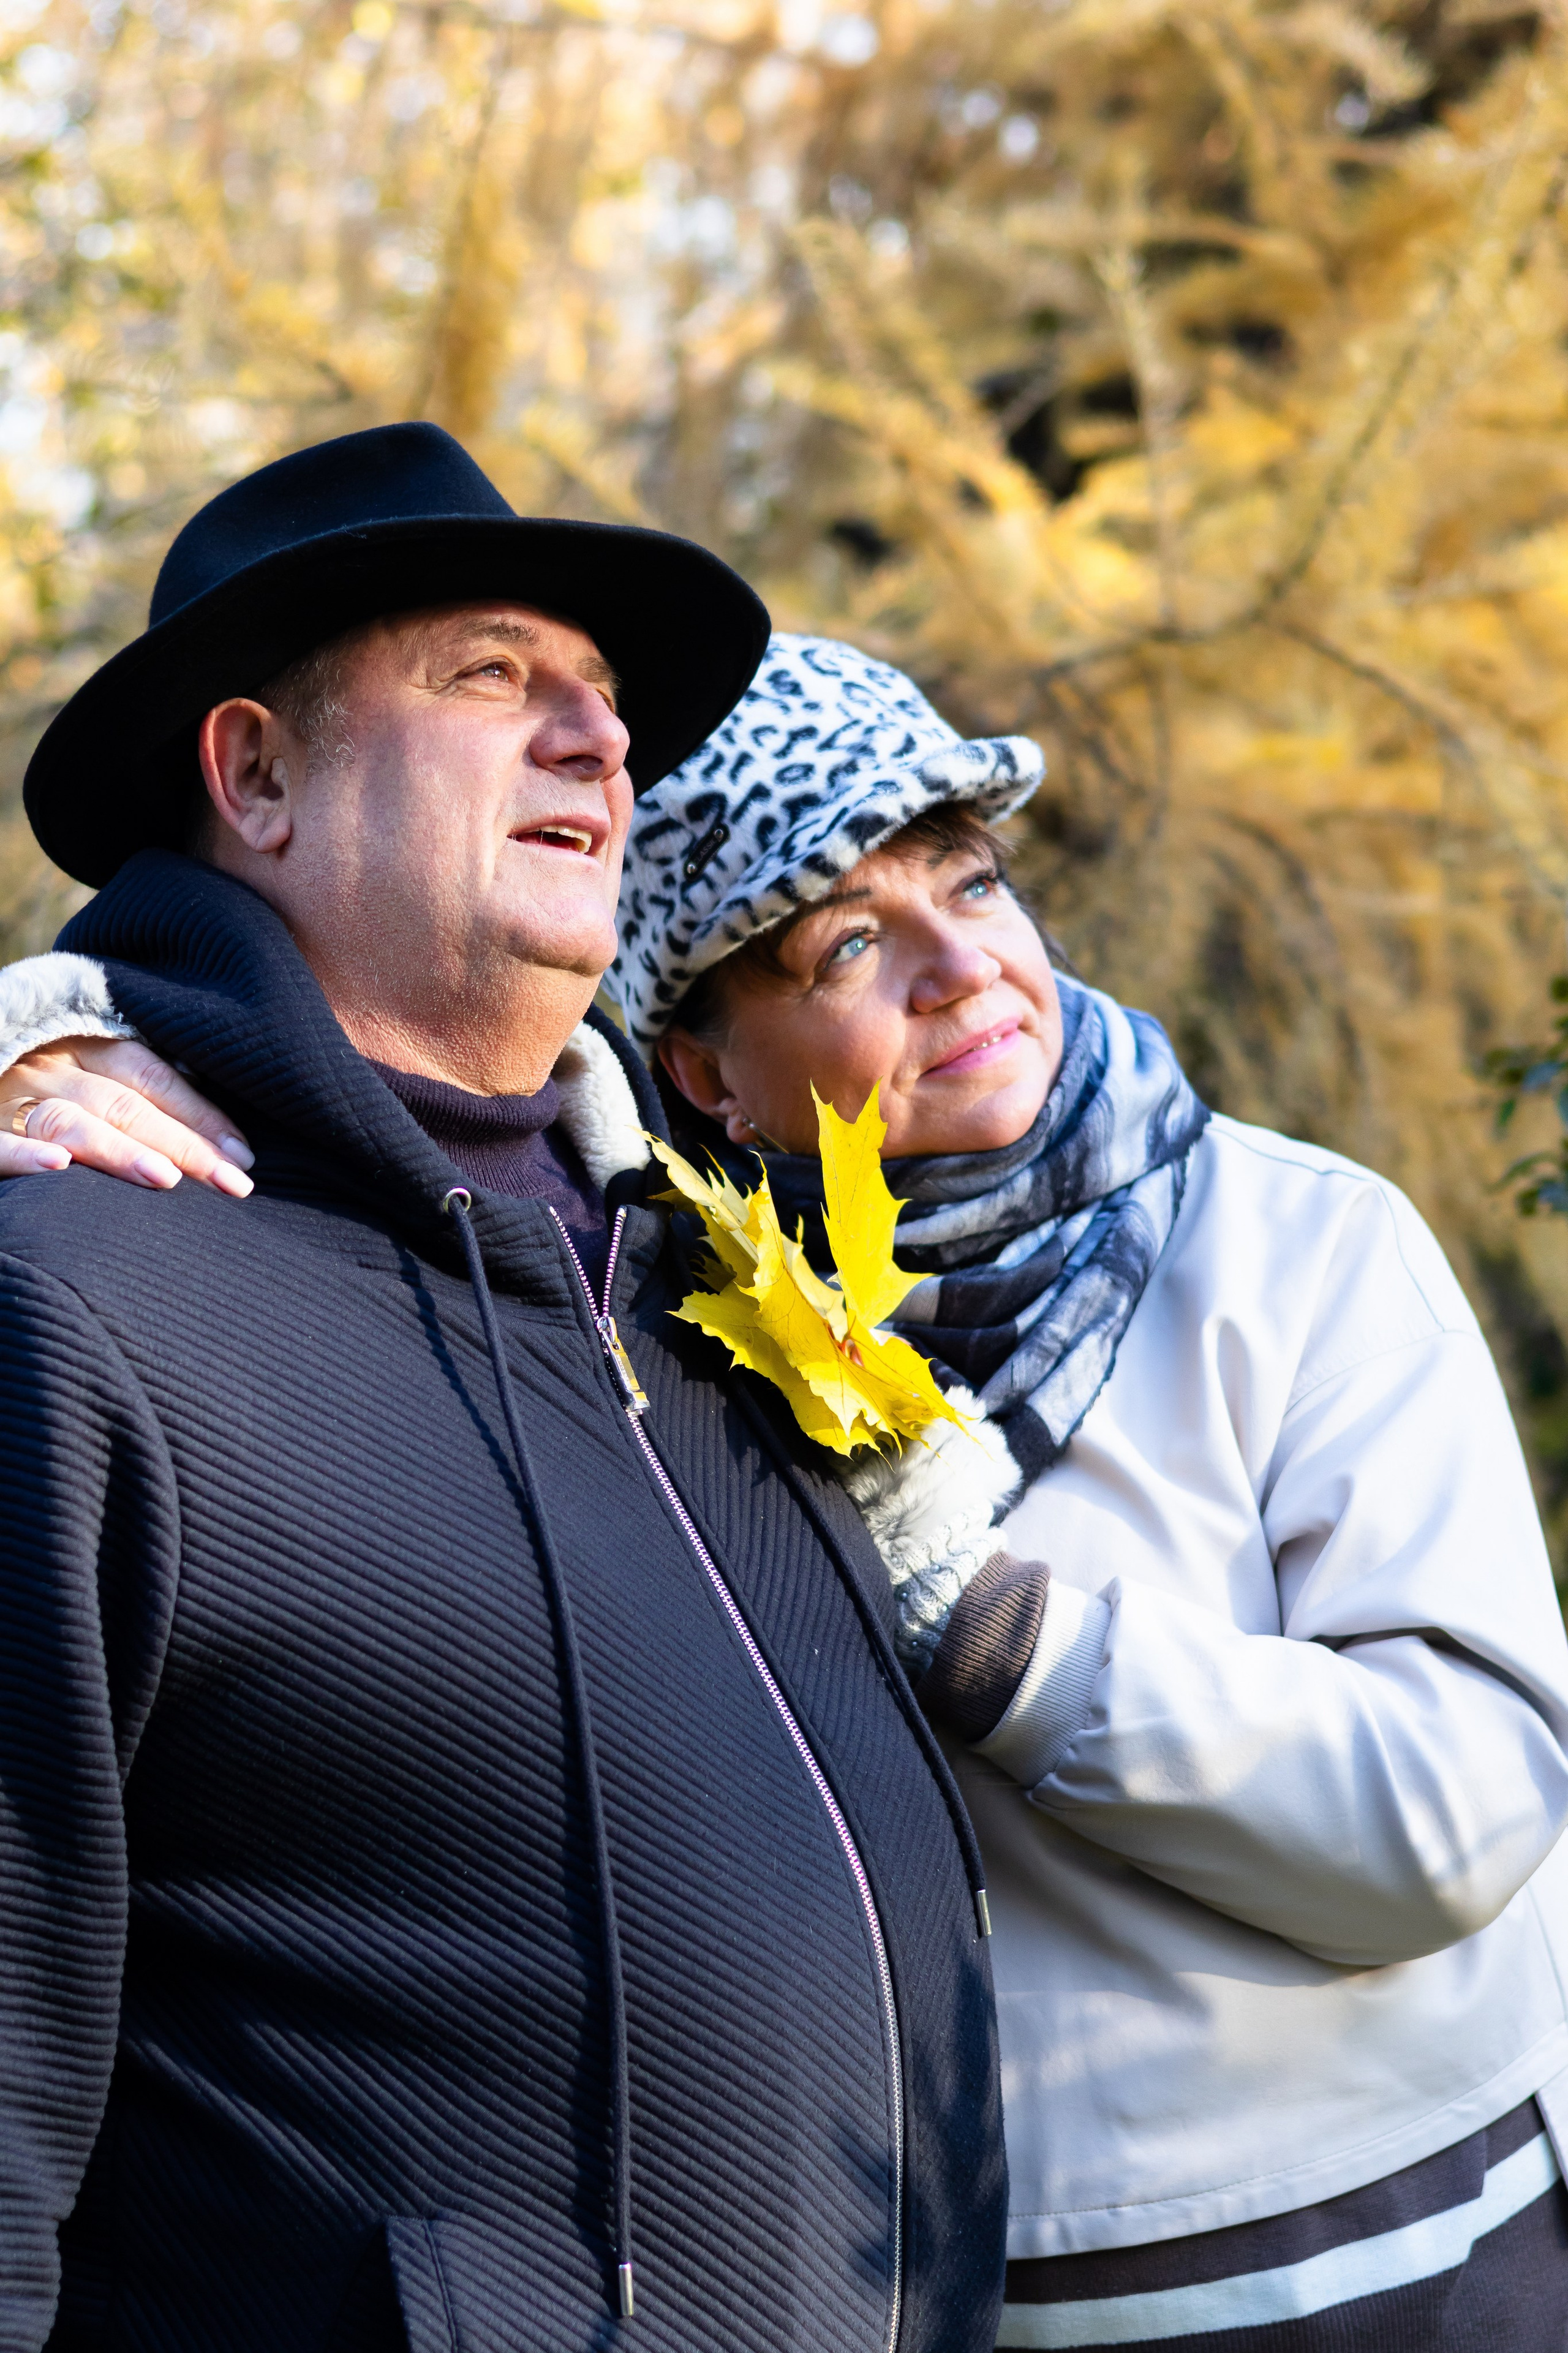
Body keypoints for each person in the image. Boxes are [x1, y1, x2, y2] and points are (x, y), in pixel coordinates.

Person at [27, 628, 1568, 2350]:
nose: (961, 967)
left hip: (1404, 2258)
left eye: (972, 882)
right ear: (704, 1073)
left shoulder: (1296, 1244)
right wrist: (58, 1028)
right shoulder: (671, 1313)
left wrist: (1004, 1639)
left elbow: (1459, 1810)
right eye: (847, 940)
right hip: (985, 2297)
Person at [0, 448, 1009, 2352]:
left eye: (606, 704)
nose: (598, 743)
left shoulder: (714, 1300)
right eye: (491, 674)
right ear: (256, 775)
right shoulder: (73, 1293)